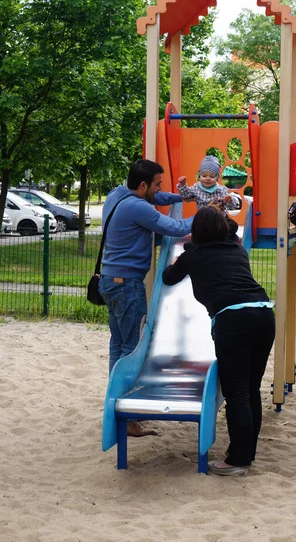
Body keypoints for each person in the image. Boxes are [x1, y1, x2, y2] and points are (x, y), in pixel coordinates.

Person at [162, 206, 275, 476]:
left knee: (236, 392)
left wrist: (184, 253)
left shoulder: (195, 256)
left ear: (196, 233)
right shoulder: (238, 250)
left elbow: (168, 278)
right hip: (263, 313)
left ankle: (237, 462)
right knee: (251, 390)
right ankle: (246, 454)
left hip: (233, 321)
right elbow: (231, 233)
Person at [99, 159, 194, 437]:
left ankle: (115, 405)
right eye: (156, 184)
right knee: (132, 349)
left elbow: (160, 199)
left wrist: (182, 195)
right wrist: (206, 214)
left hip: (110, 281)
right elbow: (175, 228)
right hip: (127, 285)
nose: (160, 190)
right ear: (142, 186)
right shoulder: (138, 207)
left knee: (119, 344)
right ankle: (127, 418)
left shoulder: (117, 195)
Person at [177, 155, 240, 240]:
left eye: (212, 176)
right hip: (204, 219)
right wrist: (183, 185)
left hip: (221, 219)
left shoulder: (222, 190)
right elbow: (185, 195)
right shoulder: (196, 188)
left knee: (233, 226)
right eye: (204, 176)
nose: (207, 179)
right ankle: (199, 243)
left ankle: (219, 240)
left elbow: (232, 207)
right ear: (199, 176)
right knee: (196, 227)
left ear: (217, 178)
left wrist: (230, 200)